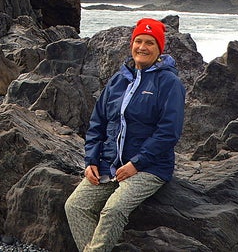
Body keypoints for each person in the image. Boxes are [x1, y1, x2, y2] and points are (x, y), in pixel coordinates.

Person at [64, 18, 186, 252]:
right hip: (110, 164)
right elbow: (97, 122)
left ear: (159, 48)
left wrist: (136, 164)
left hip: (150, 167)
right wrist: (91, 161)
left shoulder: (169, 83)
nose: (142, 47)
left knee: (114, 209)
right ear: (131, 44)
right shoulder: (118, 80)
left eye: (150, 43)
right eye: (138, 41)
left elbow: (169, 132)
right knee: (75, 206)